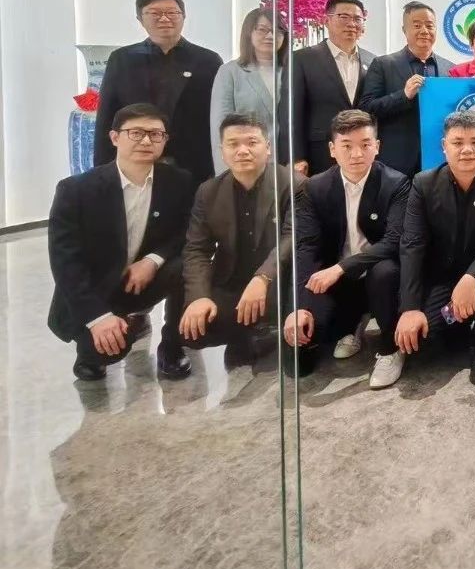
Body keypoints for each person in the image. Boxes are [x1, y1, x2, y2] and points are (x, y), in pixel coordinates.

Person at [48, 104, 195, 382]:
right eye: (136, 133)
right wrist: (97, 317)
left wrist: (153, 260)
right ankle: (92, 343)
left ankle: (172, 346)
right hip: (96, 289)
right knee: (107, 351)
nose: (146, 141)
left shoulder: (178, 182)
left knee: (187, 264)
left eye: (155, 134)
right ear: (114, 137)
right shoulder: (76, 191)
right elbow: (66, 263)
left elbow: (185, 231)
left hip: (141, 280)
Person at [393, 111, 475, 386]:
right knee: (423, 341)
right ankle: (458, 324)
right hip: (443, 278)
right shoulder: (423, 183)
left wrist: (470, 278)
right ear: (444, 146)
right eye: (458, 142)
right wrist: (410, 307)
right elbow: (412, 243)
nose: (467, 150)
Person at [284, 110, 410, 380]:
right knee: (299, 358)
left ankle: (390, 348)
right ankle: (351, 324)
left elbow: (393, 241)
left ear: (377, 146)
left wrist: (342, 267)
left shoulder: (396, 183)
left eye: (365, 144)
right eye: (347, 146)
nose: (356, 154)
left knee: (385, 272)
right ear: (332, 149)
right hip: (336, 279)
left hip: (378, 273)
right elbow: (306, 247)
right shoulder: (313, 188)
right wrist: (299, 305)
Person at [179, 113, 300, 367]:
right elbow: (196, 249)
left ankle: (263, 330)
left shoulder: (294, 183)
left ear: (268, 147)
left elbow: (293, 237)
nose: (242, 150)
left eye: (252, 142)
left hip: (281, 280)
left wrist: (263, 277)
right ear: (222, 151)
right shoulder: (208, 191)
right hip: (233, 280)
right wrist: (199, 297)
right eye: (233, 144)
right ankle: (248, 334)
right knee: (195, 330)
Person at [93, 0, 223, 182]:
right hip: (137, 156)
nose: (164, 18)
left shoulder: (208, 60)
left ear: (184, 16)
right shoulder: (122, 59)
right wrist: (102, 169)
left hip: (194, 162)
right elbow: (107, 114)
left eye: (172, 12)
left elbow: (218, 116)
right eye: (155, 13)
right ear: (140, 19)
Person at [359, 1, 456, 177]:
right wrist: (403, 95)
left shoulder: (449, 69)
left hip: (440, 159)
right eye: (417, 25)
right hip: (396, 161)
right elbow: (367, 109)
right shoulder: (383, 64)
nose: (424, 31)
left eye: (429, 26)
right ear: (405, 30)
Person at [289, 0, 375, 176]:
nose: (351, 24)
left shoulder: (373, 61)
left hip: (361, 155)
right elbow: (291, 112)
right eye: (344, 17)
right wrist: (296, 157)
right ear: (326, 21)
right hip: (319, 152)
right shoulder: (302, 59)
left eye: (357, 19)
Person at [210, 8, 286, 174]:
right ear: (248, 33)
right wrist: (225, 174)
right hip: (245, 162)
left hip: (288, 164)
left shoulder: (293, 71)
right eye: (262, 29)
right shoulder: (230, 72)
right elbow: (220, 127)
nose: (270, 36)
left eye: (278, 30)